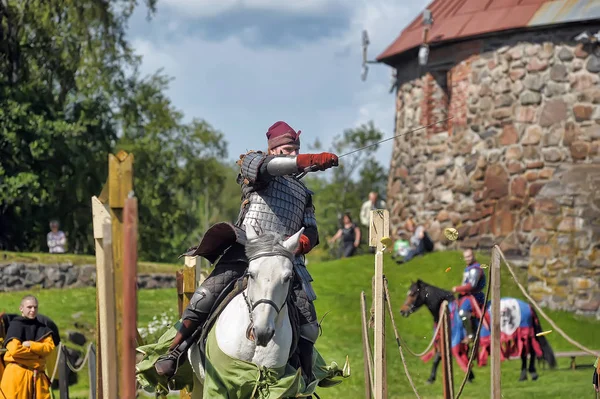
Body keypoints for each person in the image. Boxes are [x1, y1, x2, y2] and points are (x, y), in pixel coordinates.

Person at [154, 121, 339, 384]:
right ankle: (175, 351)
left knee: (308, 325)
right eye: (286, 150)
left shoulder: (304, 193)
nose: (291, 155)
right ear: (273, 150)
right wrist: (308, 160)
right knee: (206, 296)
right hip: (247, 251)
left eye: (295, 150)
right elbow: (267, 168)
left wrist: (300, 244)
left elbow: (312, 229)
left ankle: (303, 378)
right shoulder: (254, 163)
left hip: (284, 261)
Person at [0, 296, 56, 399]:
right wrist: (37, 356)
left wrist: (31, 344)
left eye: (35, 307)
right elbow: (15, 350)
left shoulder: (43, 328)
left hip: (38, 377)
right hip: (17, 376)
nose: (33, 310)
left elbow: (49, 348)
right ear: (21, 308)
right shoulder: (15, 326)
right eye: (29, 307)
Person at [452, 249, 486, 343]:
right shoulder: (468, 268)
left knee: (463, 312)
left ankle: (471, 335)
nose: (467, 259)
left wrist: (457, 289)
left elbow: (472, 285)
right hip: (467, 295)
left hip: (475, 296)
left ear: (473, 256)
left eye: (469, 256)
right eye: (466, 257)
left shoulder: (475, 269)